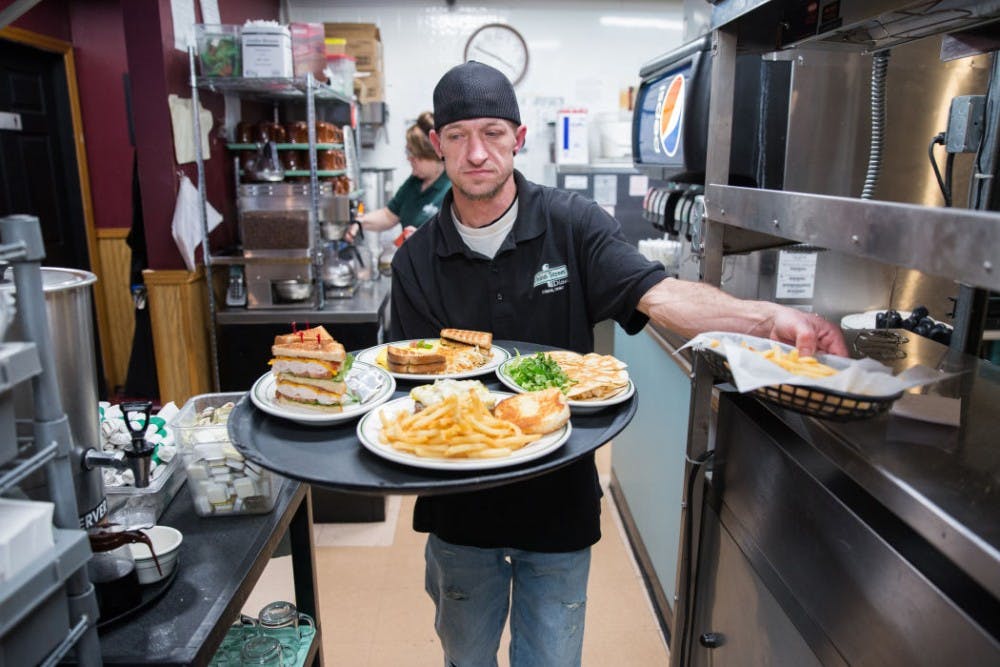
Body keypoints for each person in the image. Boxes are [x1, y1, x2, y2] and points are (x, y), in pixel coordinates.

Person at [389, 61, 848, 667]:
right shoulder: (416, 261)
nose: (477, 153)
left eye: (493, 133)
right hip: (460, 511)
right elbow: (410, 390)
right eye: (458, 136)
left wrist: (768, 320)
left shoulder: (572, 226)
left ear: (518, 138)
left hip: (557, 505)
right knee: (465, 659)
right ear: (439, 145)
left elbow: (661, 295)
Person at [346, 111, 450, 243]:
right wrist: (360, 222)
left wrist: (423, 239)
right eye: (408, 152)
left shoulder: (451, 187)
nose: (409, 158)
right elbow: (388, 216)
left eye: (414, 155)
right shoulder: (414, 182)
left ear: (433, 155)